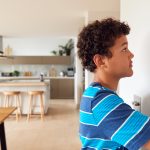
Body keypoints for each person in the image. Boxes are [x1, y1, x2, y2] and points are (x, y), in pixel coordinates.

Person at [77, 18, 150, 150]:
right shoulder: (101, 101)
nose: (131, 54)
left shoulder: (93, 95)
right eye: (124, 49)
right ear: (101, 61)